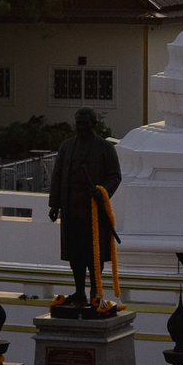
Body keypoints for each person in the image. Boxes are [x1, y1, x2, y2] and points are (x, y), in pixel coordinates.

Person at [48, 108, 122, 309]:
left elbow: (115, 176)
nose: (81, 127)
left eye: (85, 123)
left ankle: (95, 291)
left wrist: (102, 191)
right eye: (78, 123)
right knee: (75, 253)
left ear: (93, 124)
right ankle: (79, 291)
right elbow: (57, 176)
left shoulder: (105, 148)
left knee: (94, 254)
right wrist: (54, 204)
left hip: (93, 212)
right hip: (71, 210)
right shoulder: (67, 147)